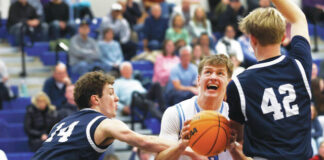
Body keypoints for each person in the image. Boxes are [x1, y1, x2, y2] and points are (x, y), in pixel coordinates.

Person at [32, 71, 202, 160]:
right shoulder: (103, 123)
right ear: (96, 99)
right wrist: (189, 149)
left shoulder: (61, 124)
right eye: (111, 93)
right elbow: (144, 142)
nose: (117, 98)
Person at [227, 0, 313, 159]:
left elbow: (237, 137)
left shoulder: (238, 85)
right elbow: (299, 18)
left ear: (252, 40)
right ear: (282, 37)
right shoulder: (300, 64)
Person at [160, 55, 234, 160]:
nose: (213, 77)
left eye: (220, 73)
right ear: (199, 80)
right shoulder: (176, 113)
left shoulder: (236, 117)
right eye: (208, 72)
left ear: (228, 83)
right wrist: (181, 146)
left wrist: (234, 148)